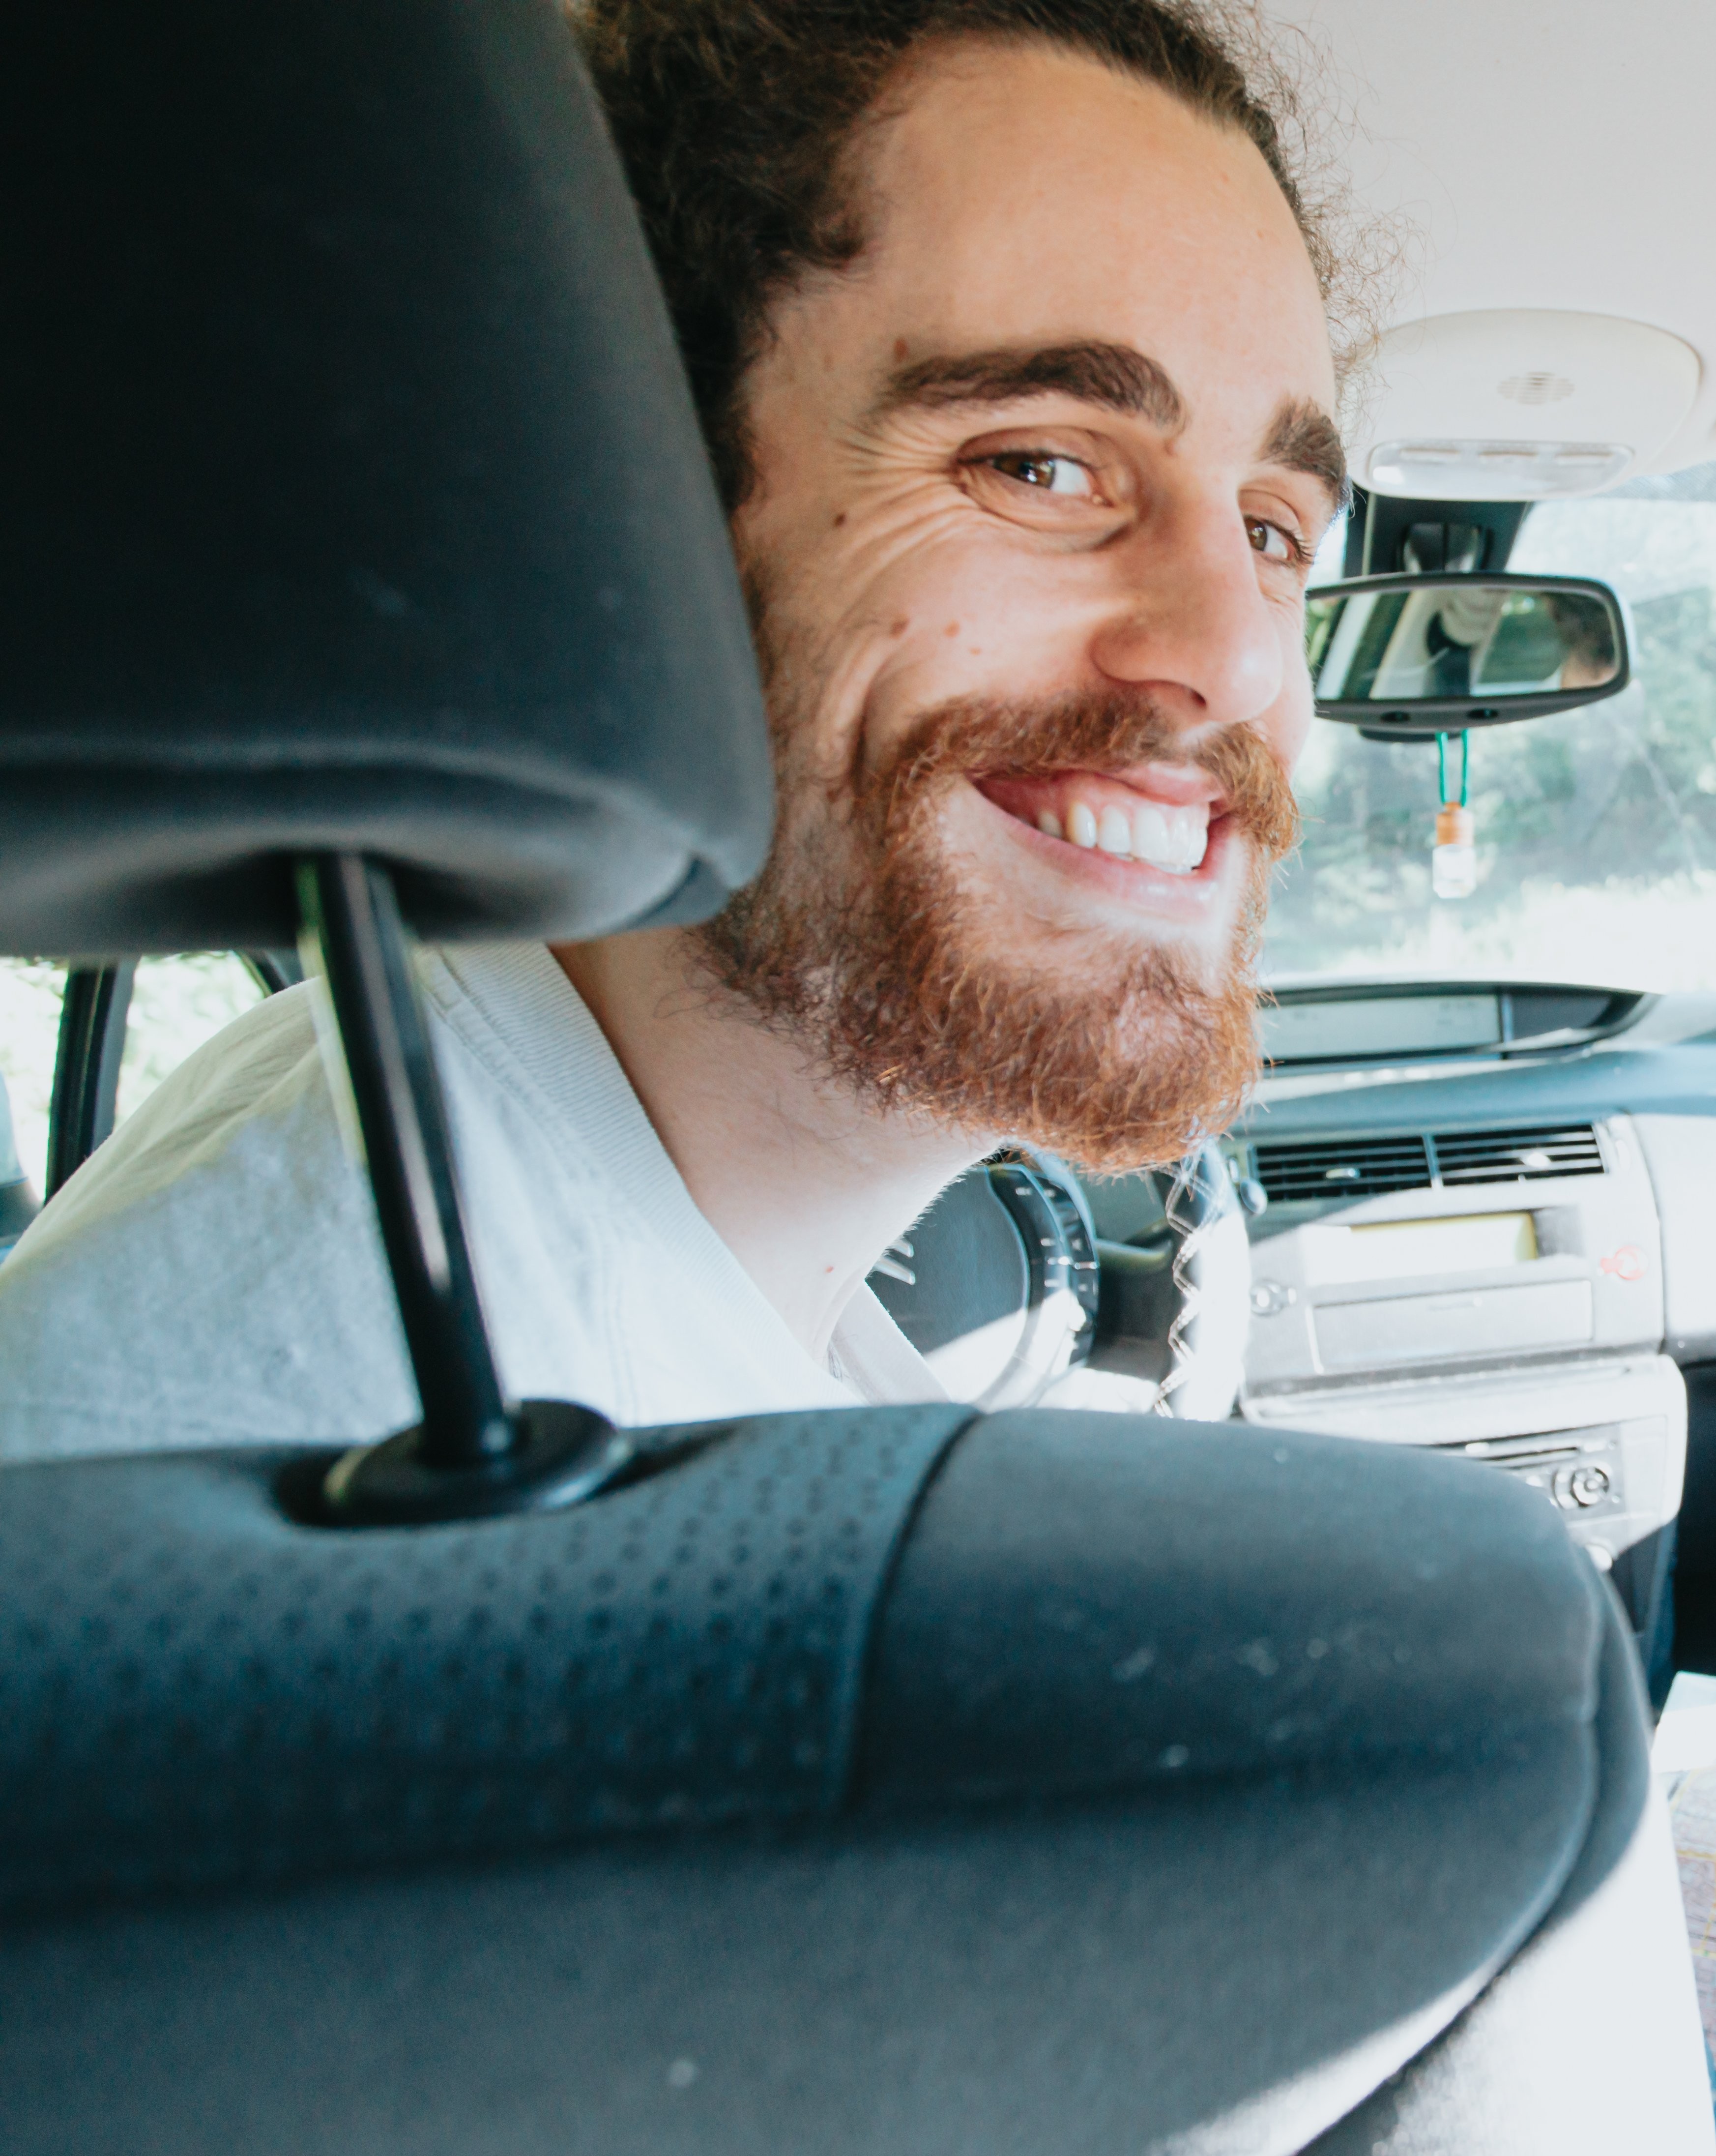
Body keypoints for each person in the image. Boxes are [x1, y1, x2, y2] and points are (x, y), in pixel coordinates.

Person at [0, 0, 1353, 1458]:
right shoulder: (337, 1482)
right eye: (1037, 466)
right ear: (635, 527)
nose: (1236, 659)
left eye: (1274, 531)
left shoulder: (594, 1273)